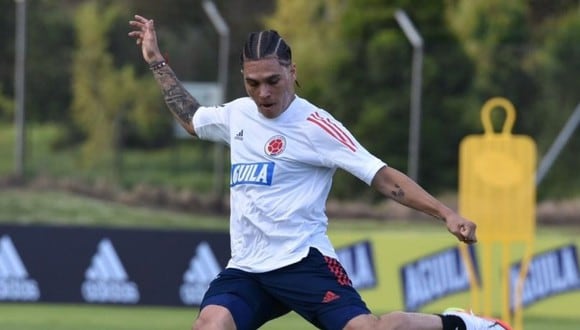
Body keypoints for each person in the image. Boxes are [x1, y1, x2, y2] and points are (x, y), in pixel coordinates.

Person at [128, 14, 511, 330]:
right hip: (247, 267)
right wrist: (155, 60)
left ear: (292, 71)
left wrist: (446, 213)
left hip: (302, 261)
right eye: (253, 83)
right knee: (209, 327)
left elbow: (381, 175)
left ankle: (462, 325)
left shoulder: (315, 126)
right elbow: (192, 119)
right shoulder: (237, 114)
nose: (263, 93)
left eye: (273, 81)